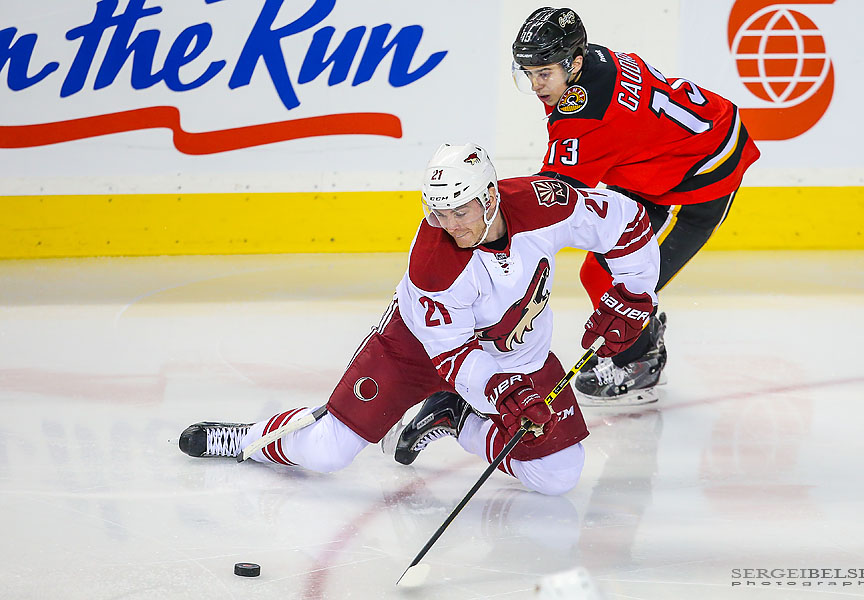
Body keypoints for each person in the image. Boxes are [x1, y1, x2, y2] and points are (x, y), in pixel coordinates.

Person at [179, 143, 660, 496]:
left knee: (558, 474)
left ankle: (456, 419)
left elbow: (629, 222)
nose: (451, 225)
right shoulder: (434, 263)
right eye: (439, 212)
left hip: (516, 349)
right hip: (415, 349)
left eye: (462, 210)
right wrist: (502, 392)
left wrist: (635, 295)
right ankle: (249, 440)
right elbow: (452, 358)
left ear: (491, 195)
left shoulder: (543, 203)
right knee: (329, 450)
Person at [511, 7, 761, 405]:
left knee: (610, 280)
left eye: (545, 74)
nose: (537, 85)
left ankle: (642, 360)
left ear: (574, 62)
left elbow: (554, 199)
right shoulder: (594, 60)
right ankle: (639, 339)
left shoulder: (586, 114)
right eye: (528, 74)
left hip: (698, 176)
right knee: (602, 274)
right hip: (658, 162)